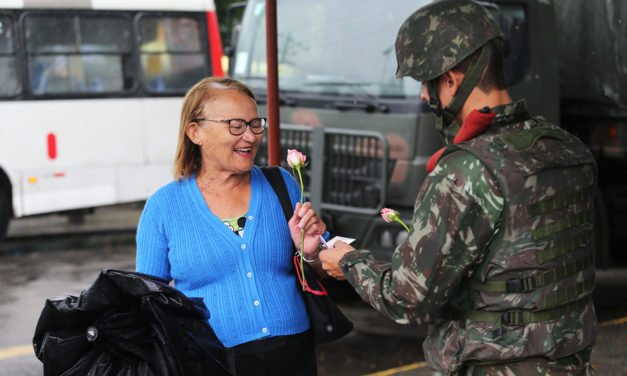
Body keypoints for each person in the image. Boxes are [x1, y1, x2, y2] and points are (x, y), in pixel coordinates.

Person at [320, 1, 597, 374]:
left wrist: (349, 263)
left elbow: (408, 298)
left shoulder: (468, 170)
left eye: (425, 82)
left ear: (451, 79)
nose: (422, 96)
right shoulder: (568, 149)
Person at [136, 76, 326, 376]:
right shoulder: (163, 206)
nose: (250, 136)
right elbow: (147, 301)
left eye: (255, 124)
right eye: (236, 126)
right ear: (195, 132)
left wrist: (313, 253)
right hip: (210, 361)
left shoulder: (282, 185)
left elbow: (328, 265)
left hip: (293, 353)